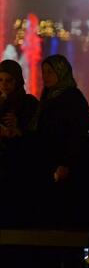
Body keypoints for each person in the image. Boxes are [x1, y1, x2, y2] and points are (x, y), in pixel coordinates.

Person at [35, 54, 89, 227]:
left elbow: (76, 135)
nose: (45, 76)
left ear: (61, 72)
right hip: (51, 163)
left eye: (50, 72)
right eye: (44, 72)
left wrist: (66, 163)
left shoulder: (72, 98)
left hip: (69, 168)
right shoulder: (49, 97)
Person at [0, 59, 40, 226]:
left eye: (9, 80)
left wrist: (18, 129)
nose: (4, 85)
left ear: (17, 80)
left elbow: (37, 135)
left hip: (19, 167)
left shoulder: (28, 103)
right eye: (0, 80)